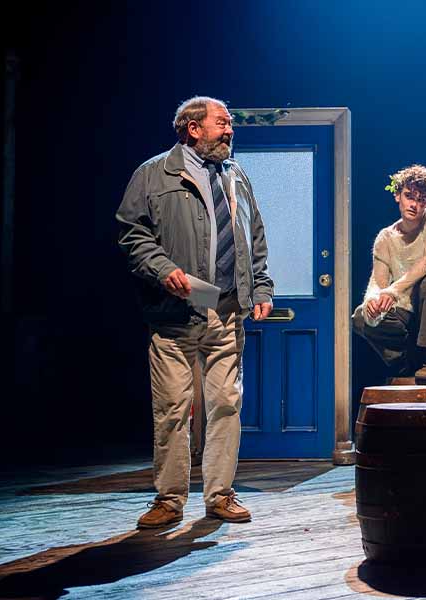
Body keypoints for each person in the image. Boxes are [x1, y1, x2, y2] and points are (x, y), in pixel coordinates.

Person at [116, 96, 274, 528]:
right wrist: (164, 270)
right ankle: (169, 498)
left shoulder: (236, 177)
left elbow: (253, 235)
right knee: (172, 407)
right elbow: (132, 234)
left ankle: (220, 494)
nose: (230, 131)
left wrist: (260, 285)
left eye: (230, 125)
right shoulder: (153, 174)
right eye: (222, 123)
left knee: (226, 404)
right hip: (175, 312)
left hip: (226, 311)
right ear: (192, 128)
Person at [352, 165, 426, 380]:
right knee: (361, 317)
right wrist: (373, 300)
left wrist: (393, 291)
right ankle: (407, 361)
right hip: (408, 314)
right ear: (397, 196)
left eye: (422, 199)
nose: (414, 205)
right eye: (409, 196)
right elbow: (377, 282)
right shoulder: (386, 237)